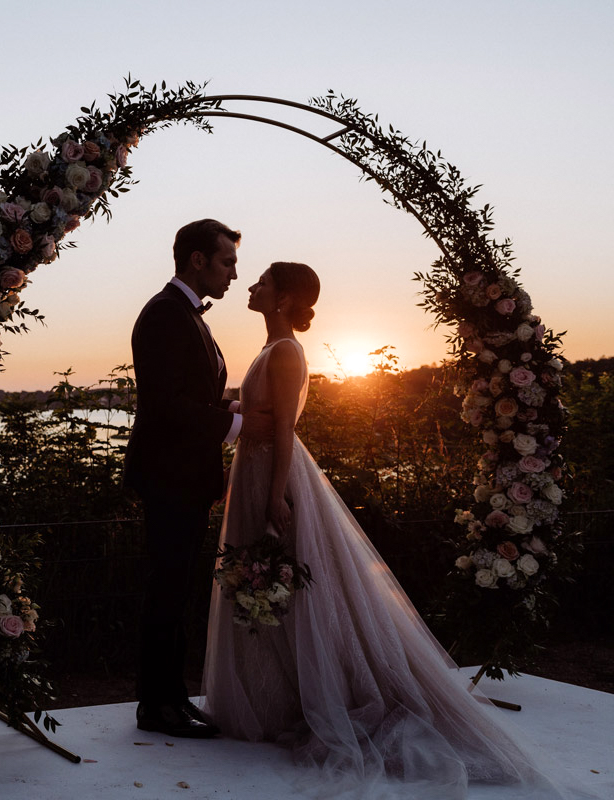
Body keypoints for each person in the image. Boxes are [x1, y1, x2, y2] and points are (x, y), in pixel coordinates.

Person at [201, 261, 576, 798]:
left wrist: (275, 492)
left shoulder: (285, 352)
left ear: (284, 299)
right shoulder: (270, 348)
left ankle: (313, 697)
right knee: (268, 583)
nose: (253, 286)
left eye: (263, 281)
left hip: (272, 472)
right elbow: (262, 415)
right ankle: (278, 695)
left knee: (286, 579)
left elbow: (285, 428)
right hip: (254, 466)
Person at [124, 218, 266, 738]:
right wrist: (240, 424)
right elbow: (165, 406)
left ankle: (171, 699)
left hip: (184, 477)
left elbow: (193, 396)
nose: (233, 273)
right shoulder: (166, 314)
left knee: (176, 591)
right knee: (166, 591)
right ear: (198, 260)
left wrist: (233, 406)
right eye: (227, 261)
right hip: (168, 477)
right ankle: (155, 707)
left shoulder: (188, 316)